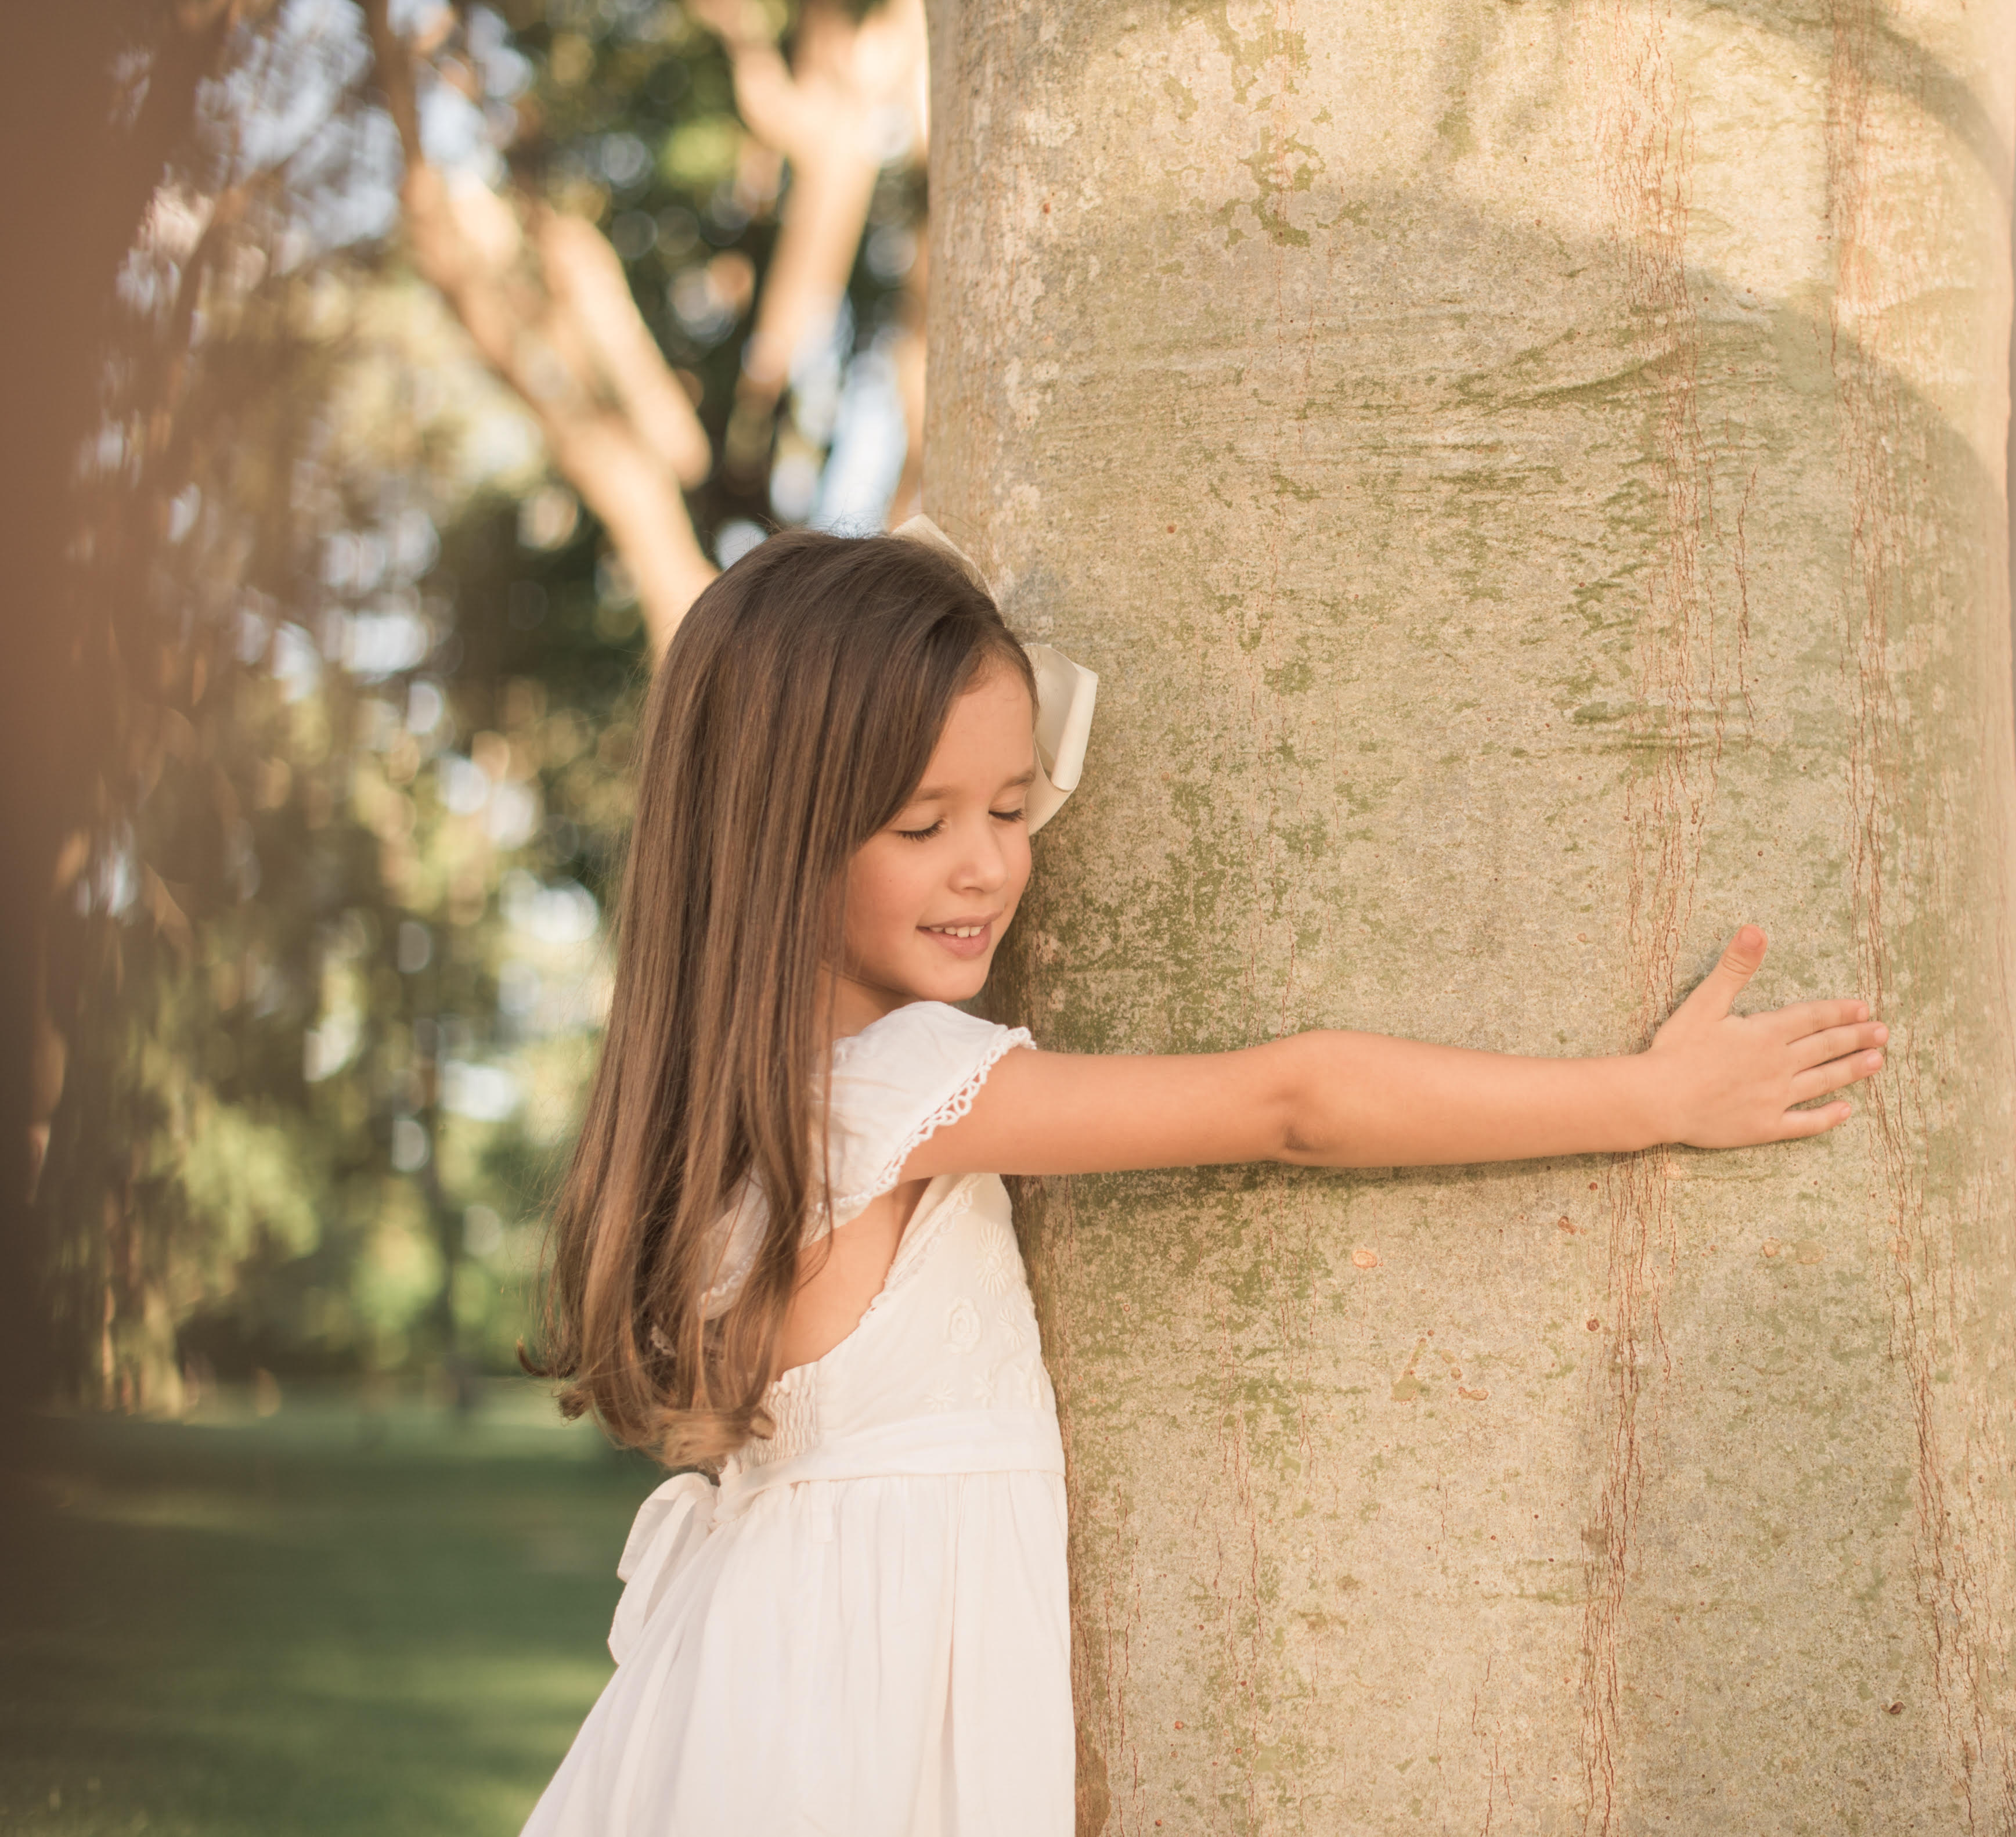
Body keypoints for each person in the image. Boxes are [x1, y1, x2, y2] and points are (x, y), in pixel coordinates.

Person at [517, 520, 1889, 1835]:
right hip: (848, 1719)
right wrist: (1645, 1096)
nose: (990, 864)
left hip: (770, 1668)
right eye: (919, 825)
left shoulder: (743, 1100)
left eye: (1011, 802)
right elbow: (1292, 1103)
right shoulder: (882, 1085)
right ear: (778, 838)